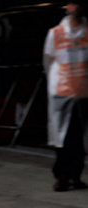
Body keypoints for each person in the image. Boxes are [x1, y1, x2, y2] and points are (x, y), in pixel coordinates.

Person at [44, 1, 88, 192]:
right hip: (62, 93)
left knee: (79, 138)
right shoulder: (56, 33)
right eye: (72, 4)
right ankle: (62, 176)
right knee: (63, 138)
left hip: (84, 92)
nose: (75, 8)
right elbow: (48, 61)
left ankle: (74, 175)